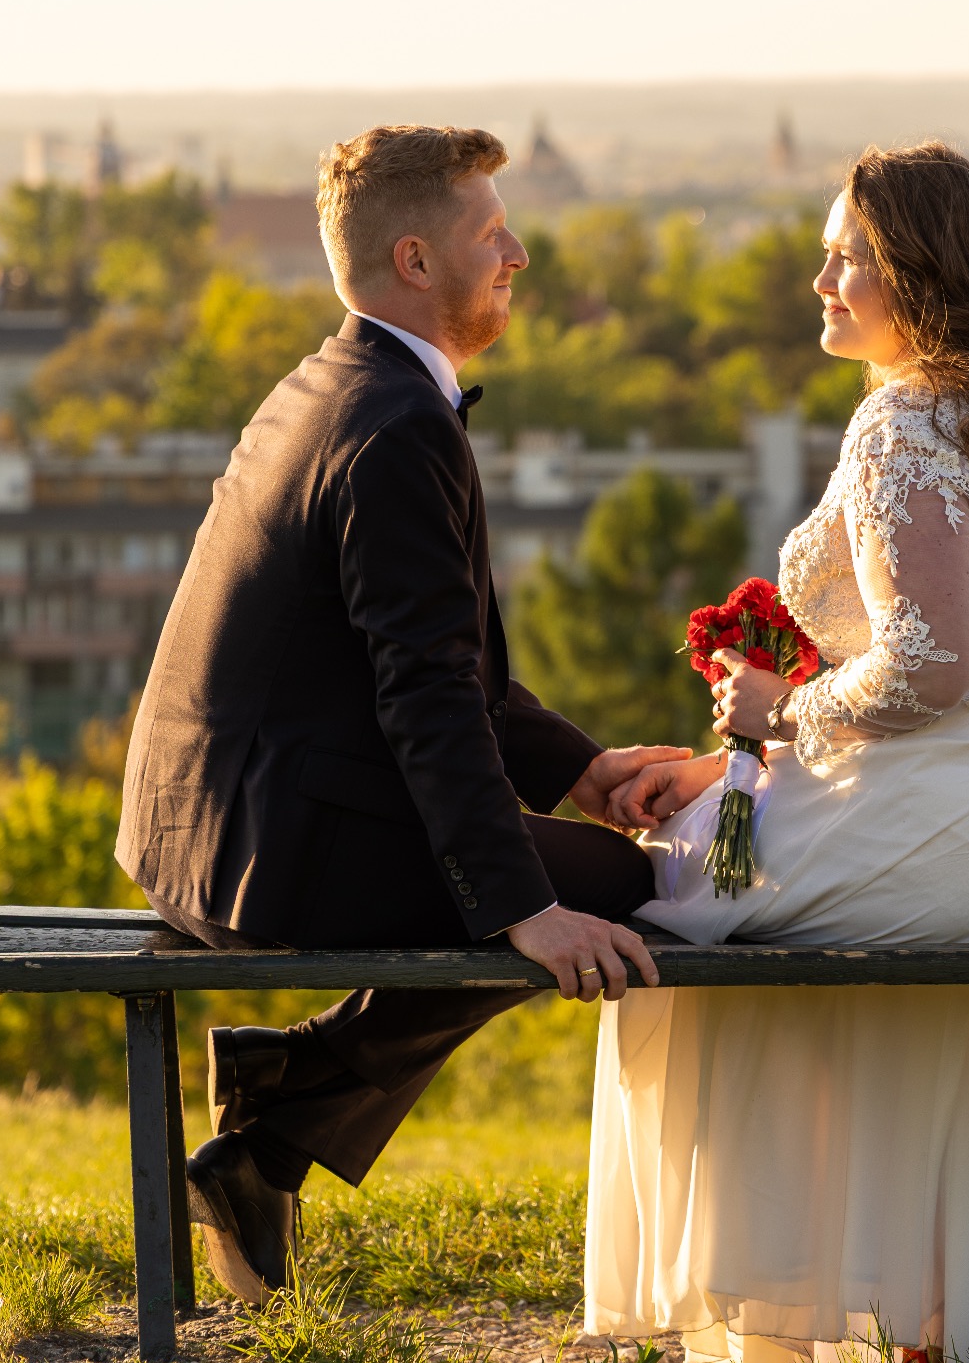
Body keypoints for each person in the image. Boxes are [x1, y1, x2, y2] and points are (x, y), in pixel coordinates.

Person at [585, 142, 969, 1363]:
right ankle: (945, 1316)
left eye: (843, 255)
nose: (818, 278)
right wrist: (724, 761)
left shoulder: (899, 424)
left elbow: (929, 666)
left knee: (673, 900)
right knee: (715, 848)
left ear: (912, 268)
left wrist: (776, 710)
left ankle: (813, 1293)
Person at [116, 123, 686, 1303]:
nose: (517, 252)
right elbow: (423, 695)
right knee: (629, 891)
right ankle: (276, 1119)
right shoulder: (393, 424)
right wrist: (527, 907)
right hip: (272, 850)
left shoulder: (334, 383)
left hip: (205, 830)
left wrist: (583, 771)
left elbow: (441, 673)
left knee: (584, 868)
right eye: (492, 233)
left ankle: (277, 1114)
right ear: (417, 260)